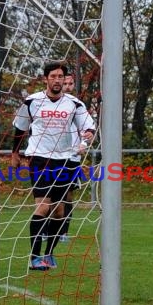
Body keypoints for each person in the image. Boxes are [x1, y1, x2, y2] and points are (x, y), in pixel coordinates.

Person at [12, 61, 95, 271]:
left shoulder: (74, 104)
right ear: (46, 79)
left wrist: (87, 136)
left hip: (65, 160)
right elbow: (20, 129)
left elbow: (88, 127)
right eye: (54, 76)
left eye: (60, 77)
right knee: (43, 206)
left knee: (59, 211)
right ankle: (34, 257)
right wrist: (15, 153)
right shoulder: (32, 102)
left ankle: (49, 254)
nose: (57, 80)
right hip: (40, 158)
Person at [59, 73, 88, 243]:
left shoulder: (78, 106)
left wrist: (83, 143)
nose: (68, 86)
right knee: (50, 196)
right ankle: (46, 230)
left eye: (71, 83)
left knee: (67, 196)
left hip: (72, 158)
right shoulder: (51, 106)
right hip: (53, 157)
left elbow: (87, 128)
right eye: (65, 83)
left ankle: (63, 232)